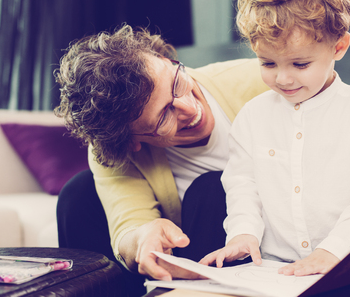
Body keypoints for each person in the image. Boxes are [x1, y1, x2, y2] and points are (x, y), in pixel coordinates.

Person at [54, 24, 269, 296]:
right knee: (78, 194)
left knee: (213, 187)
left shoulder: (261, 81)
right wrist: (144, 237)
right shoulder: (117, 151)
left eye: (177, 82)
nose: (191, 109)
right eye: (164, 117)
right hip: (182, 251)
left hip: (262, 237)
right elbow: (128, 223)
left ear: (167, 60)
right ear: (132, 141)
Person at [200, 0, 350, 277]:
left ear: (339, 47)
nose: (283, 79)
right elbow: (243, 186)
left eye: (300, 64)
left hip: (347, 266)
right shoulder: (251, 116)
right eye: (268, 64)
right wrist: (242, 234)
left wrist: (333, 250)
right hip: (274, 271)